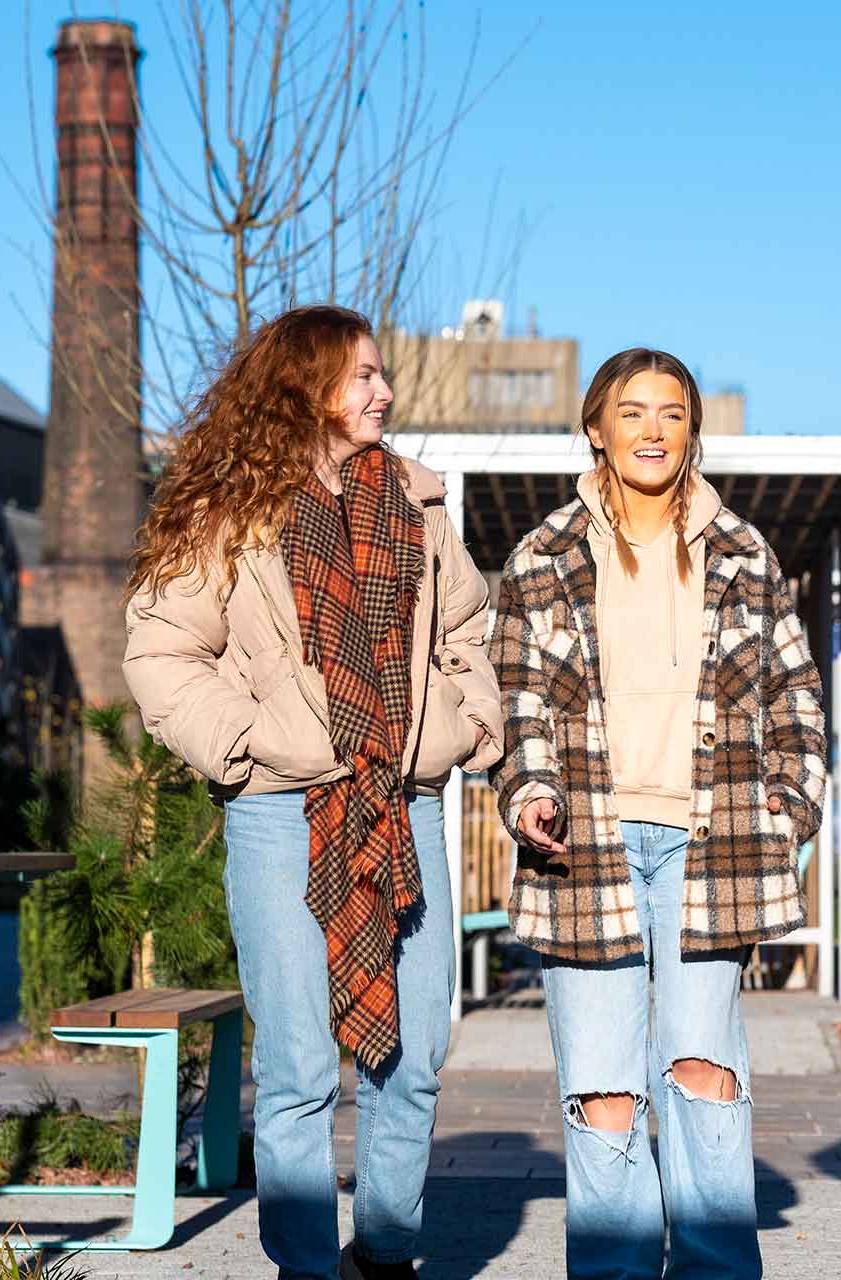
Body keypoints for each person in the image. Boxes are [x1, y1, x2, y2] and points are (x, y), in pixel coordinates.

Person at [123, 305, 502, 1280]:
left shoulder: (416, 502)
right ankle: (305, 1267)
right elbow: (163, 653)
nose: (383, 391)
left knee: (409, 1061)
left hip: (404, 804)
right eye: (363, 375)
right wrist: (250, 744)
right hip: (280, 811)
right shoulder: (229, 507)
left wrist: (466, 723)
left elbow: (469, 634)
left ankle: (384, 1252)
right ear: (306, 387)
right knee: (295, 1071)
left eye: (380, 375)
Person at [490, 347, 826, 1279]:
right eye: (631, 412)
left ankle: (718, 1267)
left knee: (703, 1073)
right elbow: (515, 704)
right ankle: (616, 1268)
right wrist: (531, 793)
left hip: (709, 844)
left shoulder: (743, 551)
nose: (651, 429)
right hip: (583, 848)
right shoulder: (542, 557)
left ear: (692, 431)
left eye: (671, 413)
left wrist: (790, 805)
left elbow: (796, 690)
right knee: (603, 1091)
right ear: (595, 428)